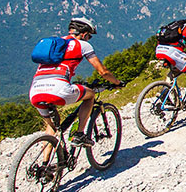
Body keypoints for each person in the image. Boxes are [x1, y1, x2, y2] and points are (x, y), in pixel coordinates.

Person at [28, 17, 122, 145]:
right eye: (89, 36)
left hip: (35, 91)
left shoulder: (55, 45)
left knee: (51, 129)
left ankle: (46, 164)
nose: (89, 39)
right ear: (84, 34)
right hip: (58, 89)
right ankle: (79, 134)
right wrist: (117, 82)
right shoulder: (83, 45)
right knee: (90, 96)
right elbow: (103, 72)